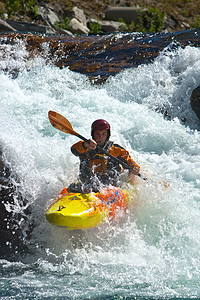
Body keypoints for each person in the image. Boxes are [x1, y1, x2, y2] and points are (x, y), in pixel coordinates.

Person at [69, 119, 140, 193]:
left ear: (107, 135)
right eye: (97, 134)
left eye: (103, 134)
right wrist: (85, 145)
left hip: (110, 188)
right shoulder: (85, 147)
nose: (100, 137)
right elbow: (74, 150)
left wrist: (135, 168)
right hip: (88, 185)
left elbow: (130, 162)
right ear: (93, 134)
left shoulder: (116, 150)